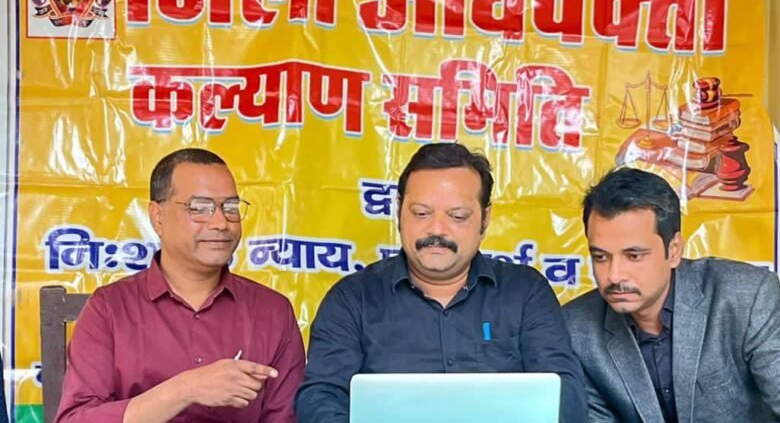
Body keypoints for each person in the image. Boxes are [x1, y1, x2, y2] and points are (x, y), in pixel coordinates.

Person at [296, 142, 587, 422]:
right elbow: (321, 396)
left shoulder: (524, 292)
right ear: (399, 212)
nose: (436, 229)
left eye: (457, 216)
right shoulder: (353, 298)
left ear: (485, 219)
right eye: (421, 214)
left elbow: (564, 393)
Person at [56, 148, 305, 422]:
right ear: (157, 217)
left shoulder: (272, 311)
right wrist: (184, 389)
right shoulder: (110, 308)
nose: (221, 222)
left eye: (231, 207)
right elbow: (76, 418)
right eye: (199, 208)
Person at [563, 167, 780, 422]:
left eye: (634, 256)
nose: (614, 275)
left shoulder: (747, 297)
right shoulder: (577, 328)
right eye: (601, 257)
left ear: (674, 250)